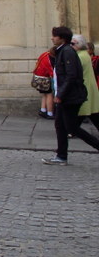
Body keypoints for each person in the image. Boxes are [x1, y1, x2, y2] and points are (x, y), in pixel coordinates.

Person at [42, 26, 99, 165]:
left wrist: (60, 94)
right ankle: (61, 156)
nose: (52, 38)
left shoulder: (67, 51)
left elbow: (71, 75)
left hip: (70, 96)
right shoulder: (63, 50)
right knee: (60, 126)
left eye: (54, 36)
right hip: (66, 95)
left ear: (62, 38)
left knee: (72, 128)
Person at [72, 35, 99, 130]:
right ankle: (72, 130)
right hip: (87, 87)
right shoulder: (84, 54)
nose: (70, 46)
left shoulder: (80, 56)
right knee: (90, 112)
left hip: (84, 88)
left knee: (85, 111)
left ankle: (72, 131)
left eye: (72, 44)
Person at [32, 46, 55, 120]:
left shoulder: (44, 54)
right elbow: (52, 72)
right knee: (49, 95)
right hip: (44, 79)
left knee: (44, 95)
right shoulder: (49, 60)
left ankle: (43, 110)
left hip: (37, 77)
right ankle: (50, 113)